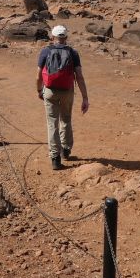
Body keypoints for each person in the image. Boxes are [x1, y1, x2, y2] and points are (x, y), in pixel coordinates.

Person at [36, 25, 89, 170]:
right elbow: (79, 77)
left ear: (52, 37)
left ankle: (55, 158)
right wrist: (85, 97)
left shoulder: (45, 51)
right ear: (66, 37)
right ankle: (65, 150)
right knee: (66, 119)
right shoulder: (72, 52)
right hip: (67, 90)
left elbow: (38, 75)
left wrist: (39, 90)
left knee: (52, 123)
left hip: (50, 91)